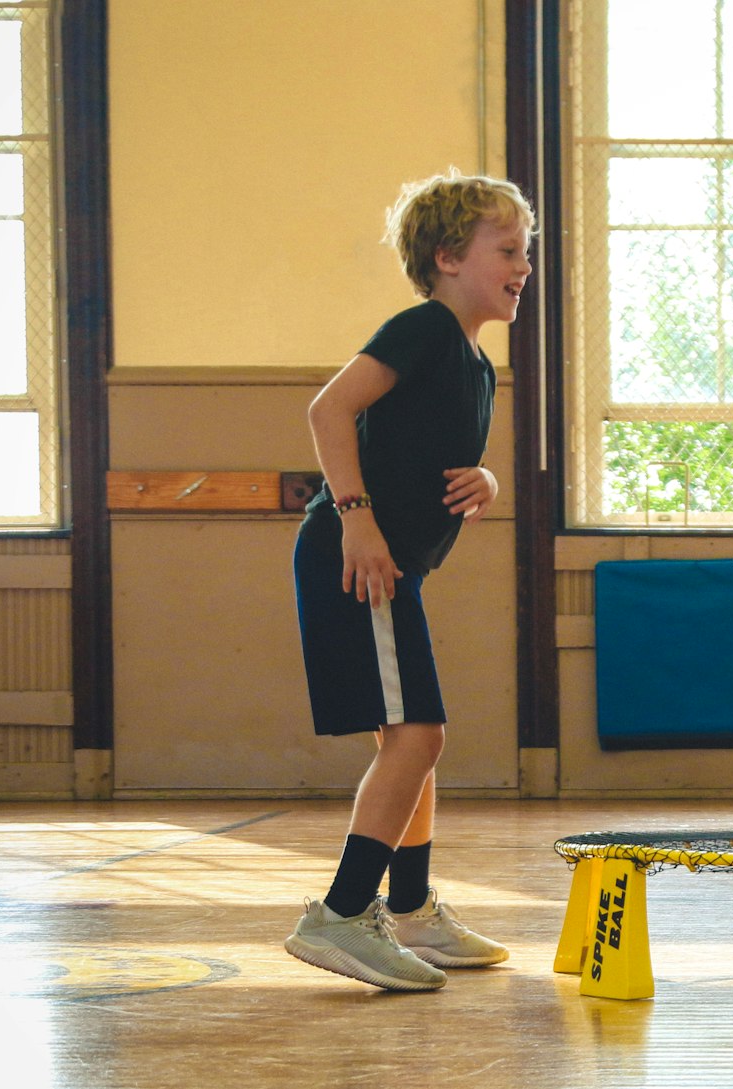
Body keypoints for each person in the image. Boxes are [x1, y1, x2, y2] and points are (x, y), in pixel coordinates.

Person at [283, 172, 534, 990]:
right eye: (508, 250)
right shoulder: (423, 327)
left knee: (415, 742)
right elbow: (329, 409)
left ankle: (415, 907)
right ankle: (343, 914)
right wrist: (356, 515)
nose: (522, 265)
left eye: (525, 252)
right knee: (417, 738)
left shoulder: (473, 363)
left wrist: (486, 482)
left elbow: (432, 453)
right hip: (358, 558)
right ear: (449, 256)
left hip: (393, 570)